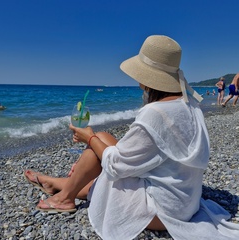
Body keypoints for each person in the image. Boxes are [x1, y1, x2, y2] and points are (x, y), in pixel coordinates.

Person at [24, 35, 239, 240]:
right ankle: (59, 184)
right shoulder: (191, 105)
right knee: (103, 137)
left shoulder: (155, 113)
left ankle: (64, 197)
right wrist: (95, 140)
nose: (138, 83)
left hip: (163, 212)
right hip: (186, 200)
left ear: (148, 79)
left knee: (100, 157)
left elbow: (116, 165)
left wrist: (88, 139)